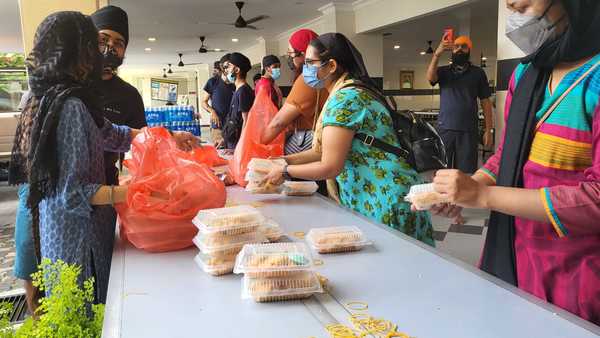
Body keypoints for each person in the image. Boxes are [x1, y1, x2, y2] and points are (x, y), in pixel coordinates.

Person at [428, 0, 600, 325]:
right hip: (512, 252)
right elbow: (506, 156)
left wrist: (484, 197)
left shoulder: (595, 79)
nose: (511, 3)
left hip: (577, 274)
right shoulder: (527, 73)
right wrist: (469, 187)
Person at [8, 11, 198, 304]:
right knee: (86, 310)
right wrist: (140, 193)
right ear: (77, 51)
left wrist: (167, 136)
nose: (101, 53)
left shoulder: (70, 95)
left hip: (72, 226)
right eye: (95, 45)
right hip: (76, 236)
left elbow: (112, 134)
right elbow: (70, 194)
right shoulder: (68, 105)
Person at [263, 33, 435, 246]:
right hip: (382, 193)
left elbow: (330, 166)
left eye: (310, 63)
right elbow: (323, 151)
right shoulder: (353, 90)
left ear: (332, 65)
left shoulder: (345, 100)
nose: (305, 68)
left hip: (383, 200)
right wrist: (284, 160)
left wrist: (285, 171)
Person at [92, 5, 147, 186]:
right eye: (103, 40)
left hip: (107, 184)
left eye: (118, 43)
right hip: (63, 193)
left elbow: (141, 141)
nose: (110, 48)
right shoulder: (71, 87)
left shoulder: (129, 95)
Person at [427, 34, 494, 174]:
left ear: (469, 50)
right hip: (445, 129)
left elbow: (486, 102)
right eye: (456, 46)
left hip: (468, 131)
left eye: (463, 47)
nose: (459, 49)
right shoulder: (443, 71)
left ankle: (463, 197)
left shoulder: (478, 73)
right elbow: (430, 78)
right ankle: (442, 196)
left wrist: (489, 130)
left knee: (466, 173)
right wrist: (437, 55)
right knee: (441, 170)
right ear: (452, 50)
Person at [261, 29, 330, 155]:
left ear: (305, 53)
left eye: (291, 53)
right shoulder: (327, 76)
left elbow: (278, 122)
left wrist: (259, 143)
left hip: (307, 138)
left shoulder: (308, 79)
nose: (290, 58)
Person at [222, 52, 254, 150]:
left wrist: (242, 144)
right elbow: (234, 118)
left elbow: (247, 120)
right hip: (232, 140)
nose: (226, 70)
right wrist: (225, 139)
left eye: (228, 66)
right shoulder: (238, 89)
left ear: (237, 70)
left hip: (238, 143)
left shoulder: (243, 91)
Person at [202, 56, 235, 148]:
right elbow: (203, 102)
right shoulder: (212, 82)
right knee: (221, 151)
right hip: (218, 125)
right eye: (228, 66)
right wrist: (212, 111)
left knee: (232, 151)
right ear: (222, 67)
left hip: (233, 126)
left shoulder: (235, 83)